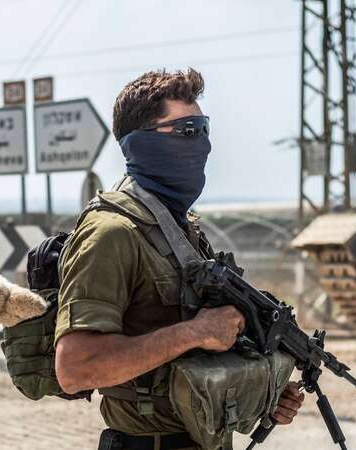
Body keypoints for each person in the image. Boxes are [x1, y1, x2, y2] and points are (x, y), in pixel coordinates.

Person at [53, 68, 304, 449]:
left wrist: (261, 391)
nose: (201, 144)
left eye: (203, 129)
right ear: (141, 145)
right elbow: (75, 368)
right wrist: (194, 332)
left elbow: (197, 356)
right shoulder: (111, 233)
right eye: (187, 131)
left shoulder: (181, 231)